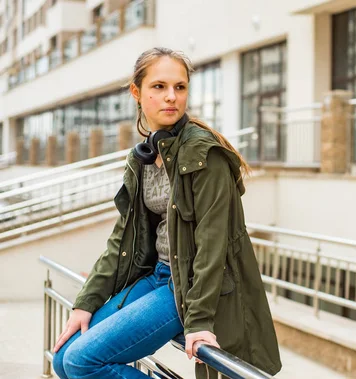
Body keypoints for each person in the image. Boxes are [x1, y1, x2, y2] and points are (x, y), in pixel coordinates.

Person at [51, 47, 282, 379]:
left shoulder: (204, 154)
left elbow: (212, 245)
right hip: (157, 276)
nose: (171, 97)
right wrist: (86, 301)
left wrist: (199, 321)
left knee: (81, 362)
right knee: (62, 358)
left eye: (180, 87)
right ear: (137, 92)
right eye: (158, 87)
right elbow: (122, 239)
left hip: (186, 287)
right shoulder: (144, 157)